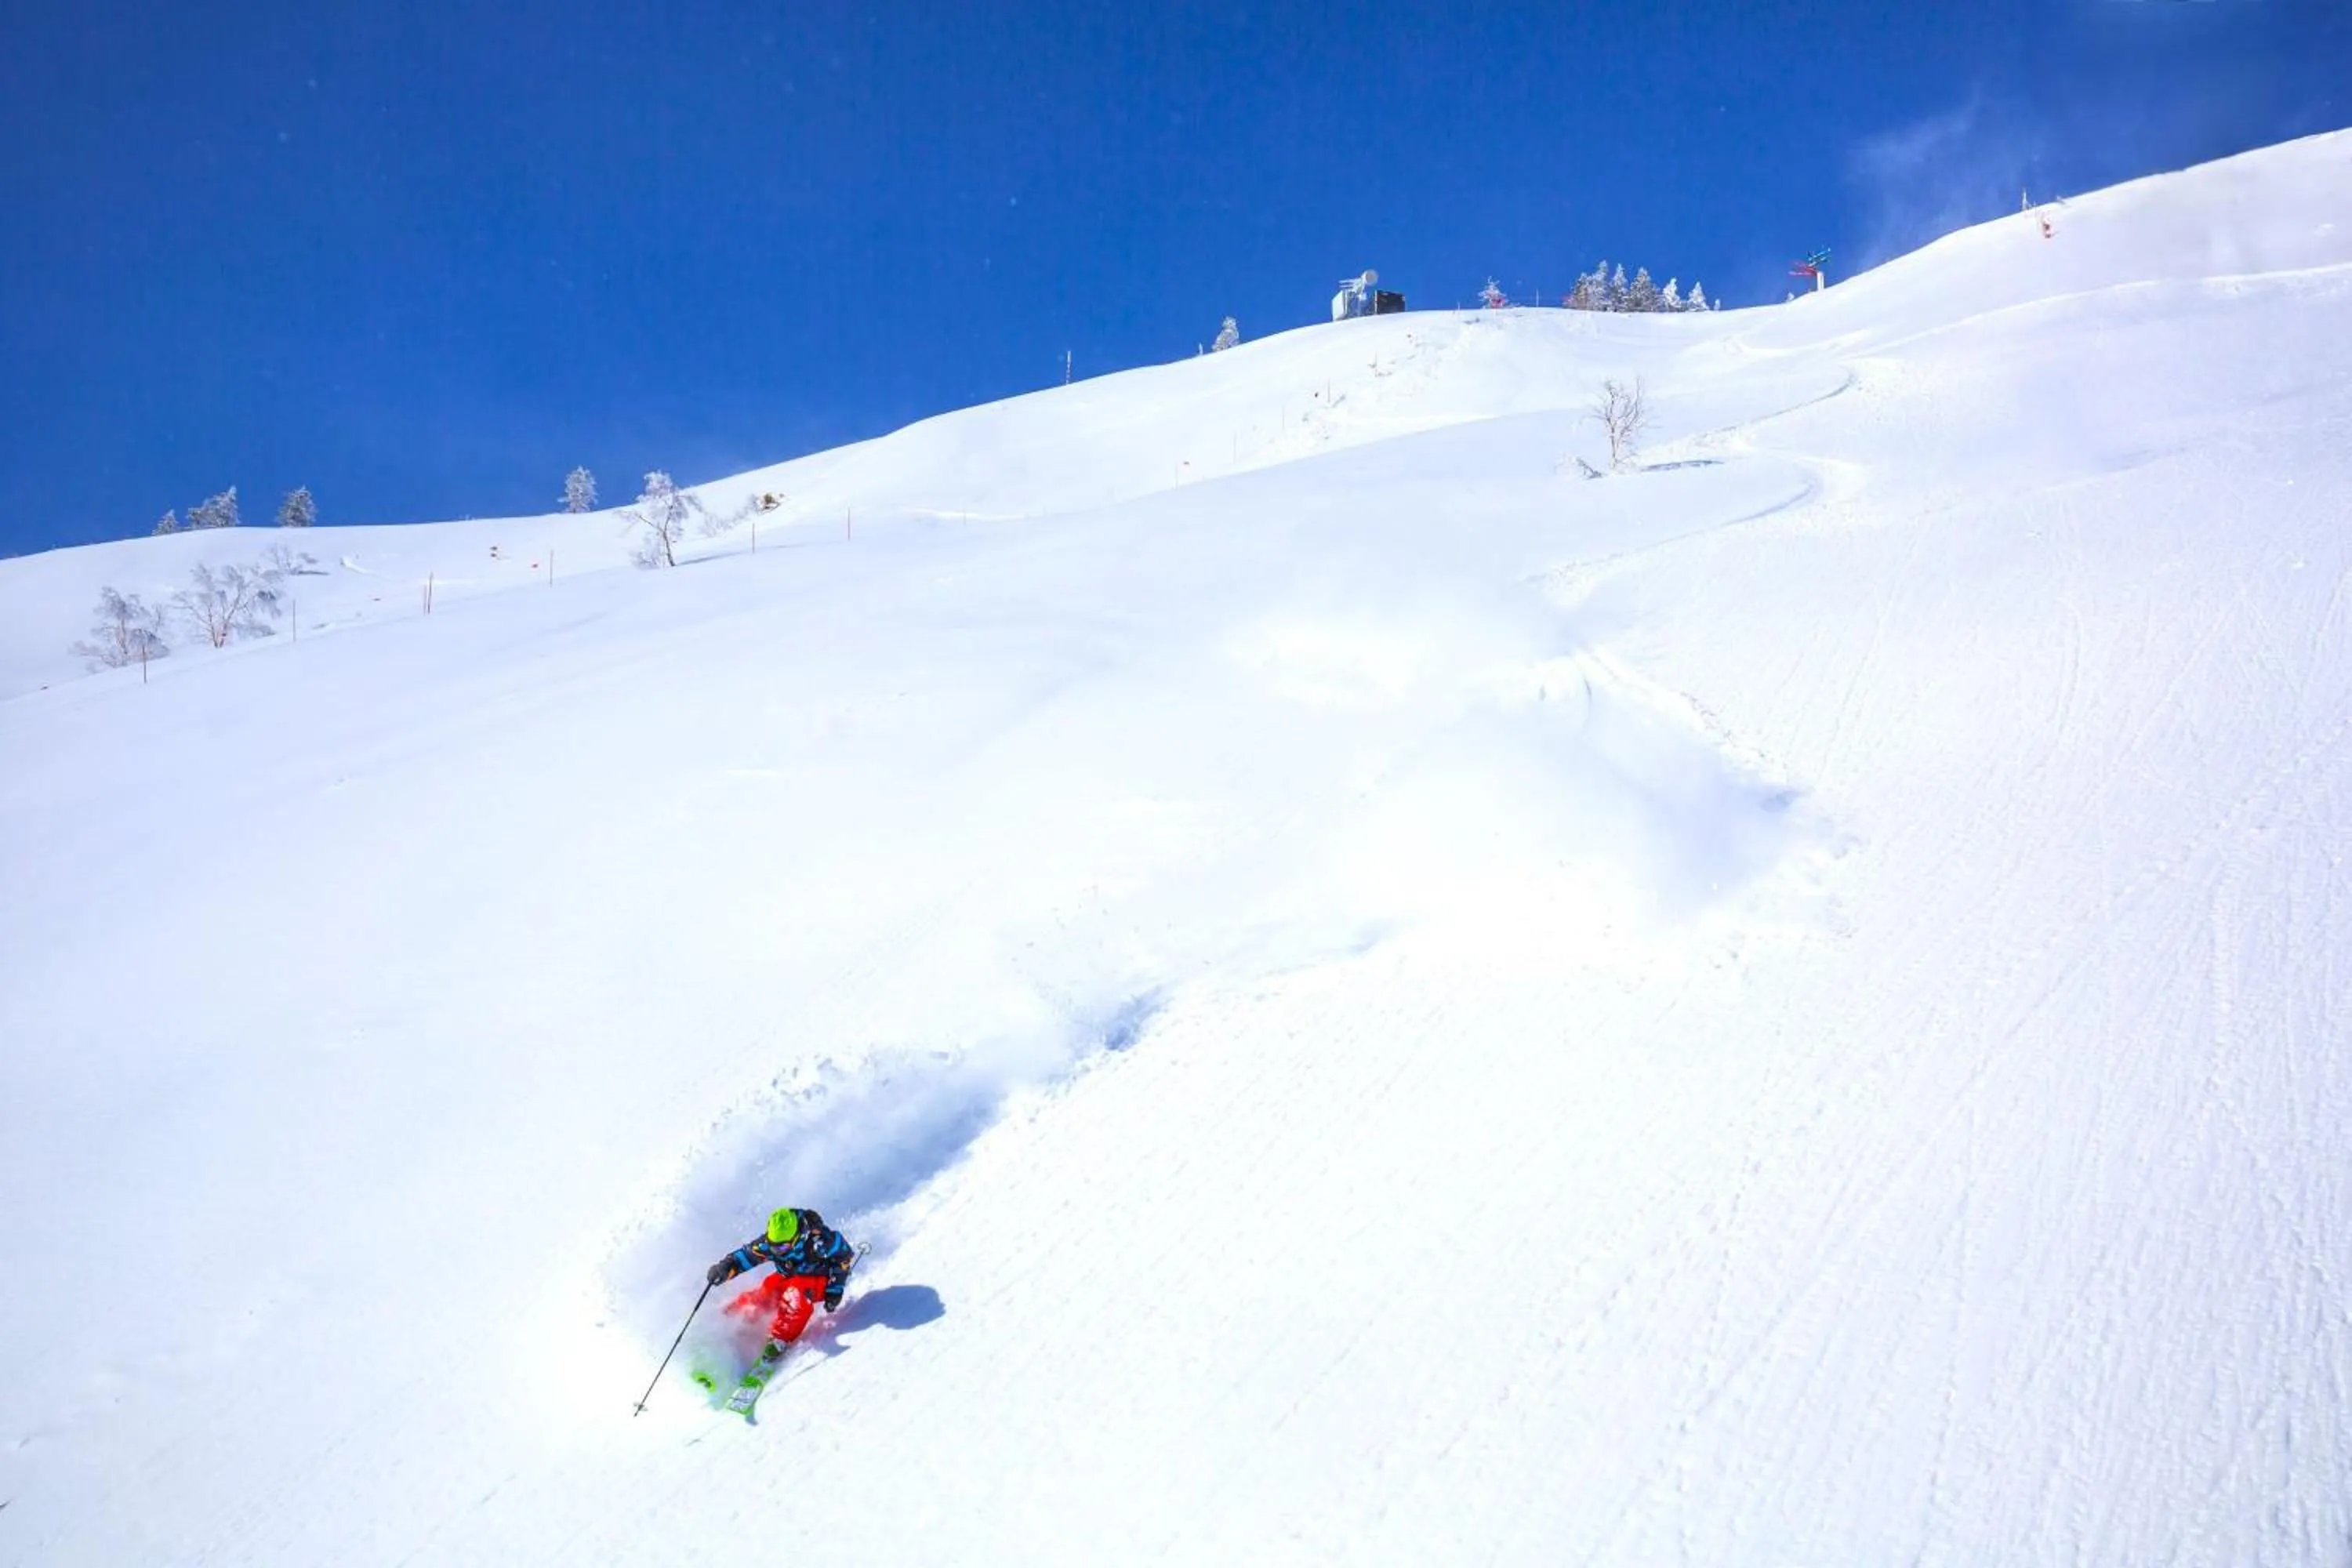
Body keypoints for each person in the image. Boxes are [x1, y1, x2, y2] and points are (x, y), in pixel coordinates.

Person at [707, 1207, 857, 1352]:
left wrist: (835, 1290)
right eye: (773, 1246)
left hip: (816, 1281)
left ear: (798, 1237)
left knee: (795, 1297)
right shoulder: (772, 1243)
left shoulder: (821, 1241)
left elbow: (844, 1256)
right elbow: (747, 1256)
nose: (776, 1251)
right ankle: (729, 1319)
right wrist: (726, 1267)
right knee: (767, 1292)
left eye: (782, 1248)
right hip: (788, 1277)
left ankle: (778, 1340)